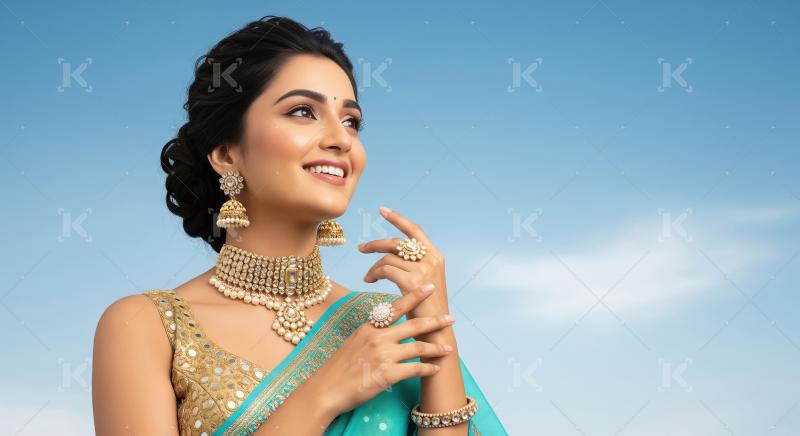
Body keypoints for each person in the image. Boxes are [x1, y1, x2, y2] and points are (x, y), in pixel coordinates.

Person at [92, 15, 507, 436]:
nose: (342, 139)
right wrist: (323, 394)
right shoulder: (148, 326)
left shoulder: (382, 323)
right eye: (303, 112)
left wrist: (436, 328)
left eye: (351, 121)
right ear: (226, 154)